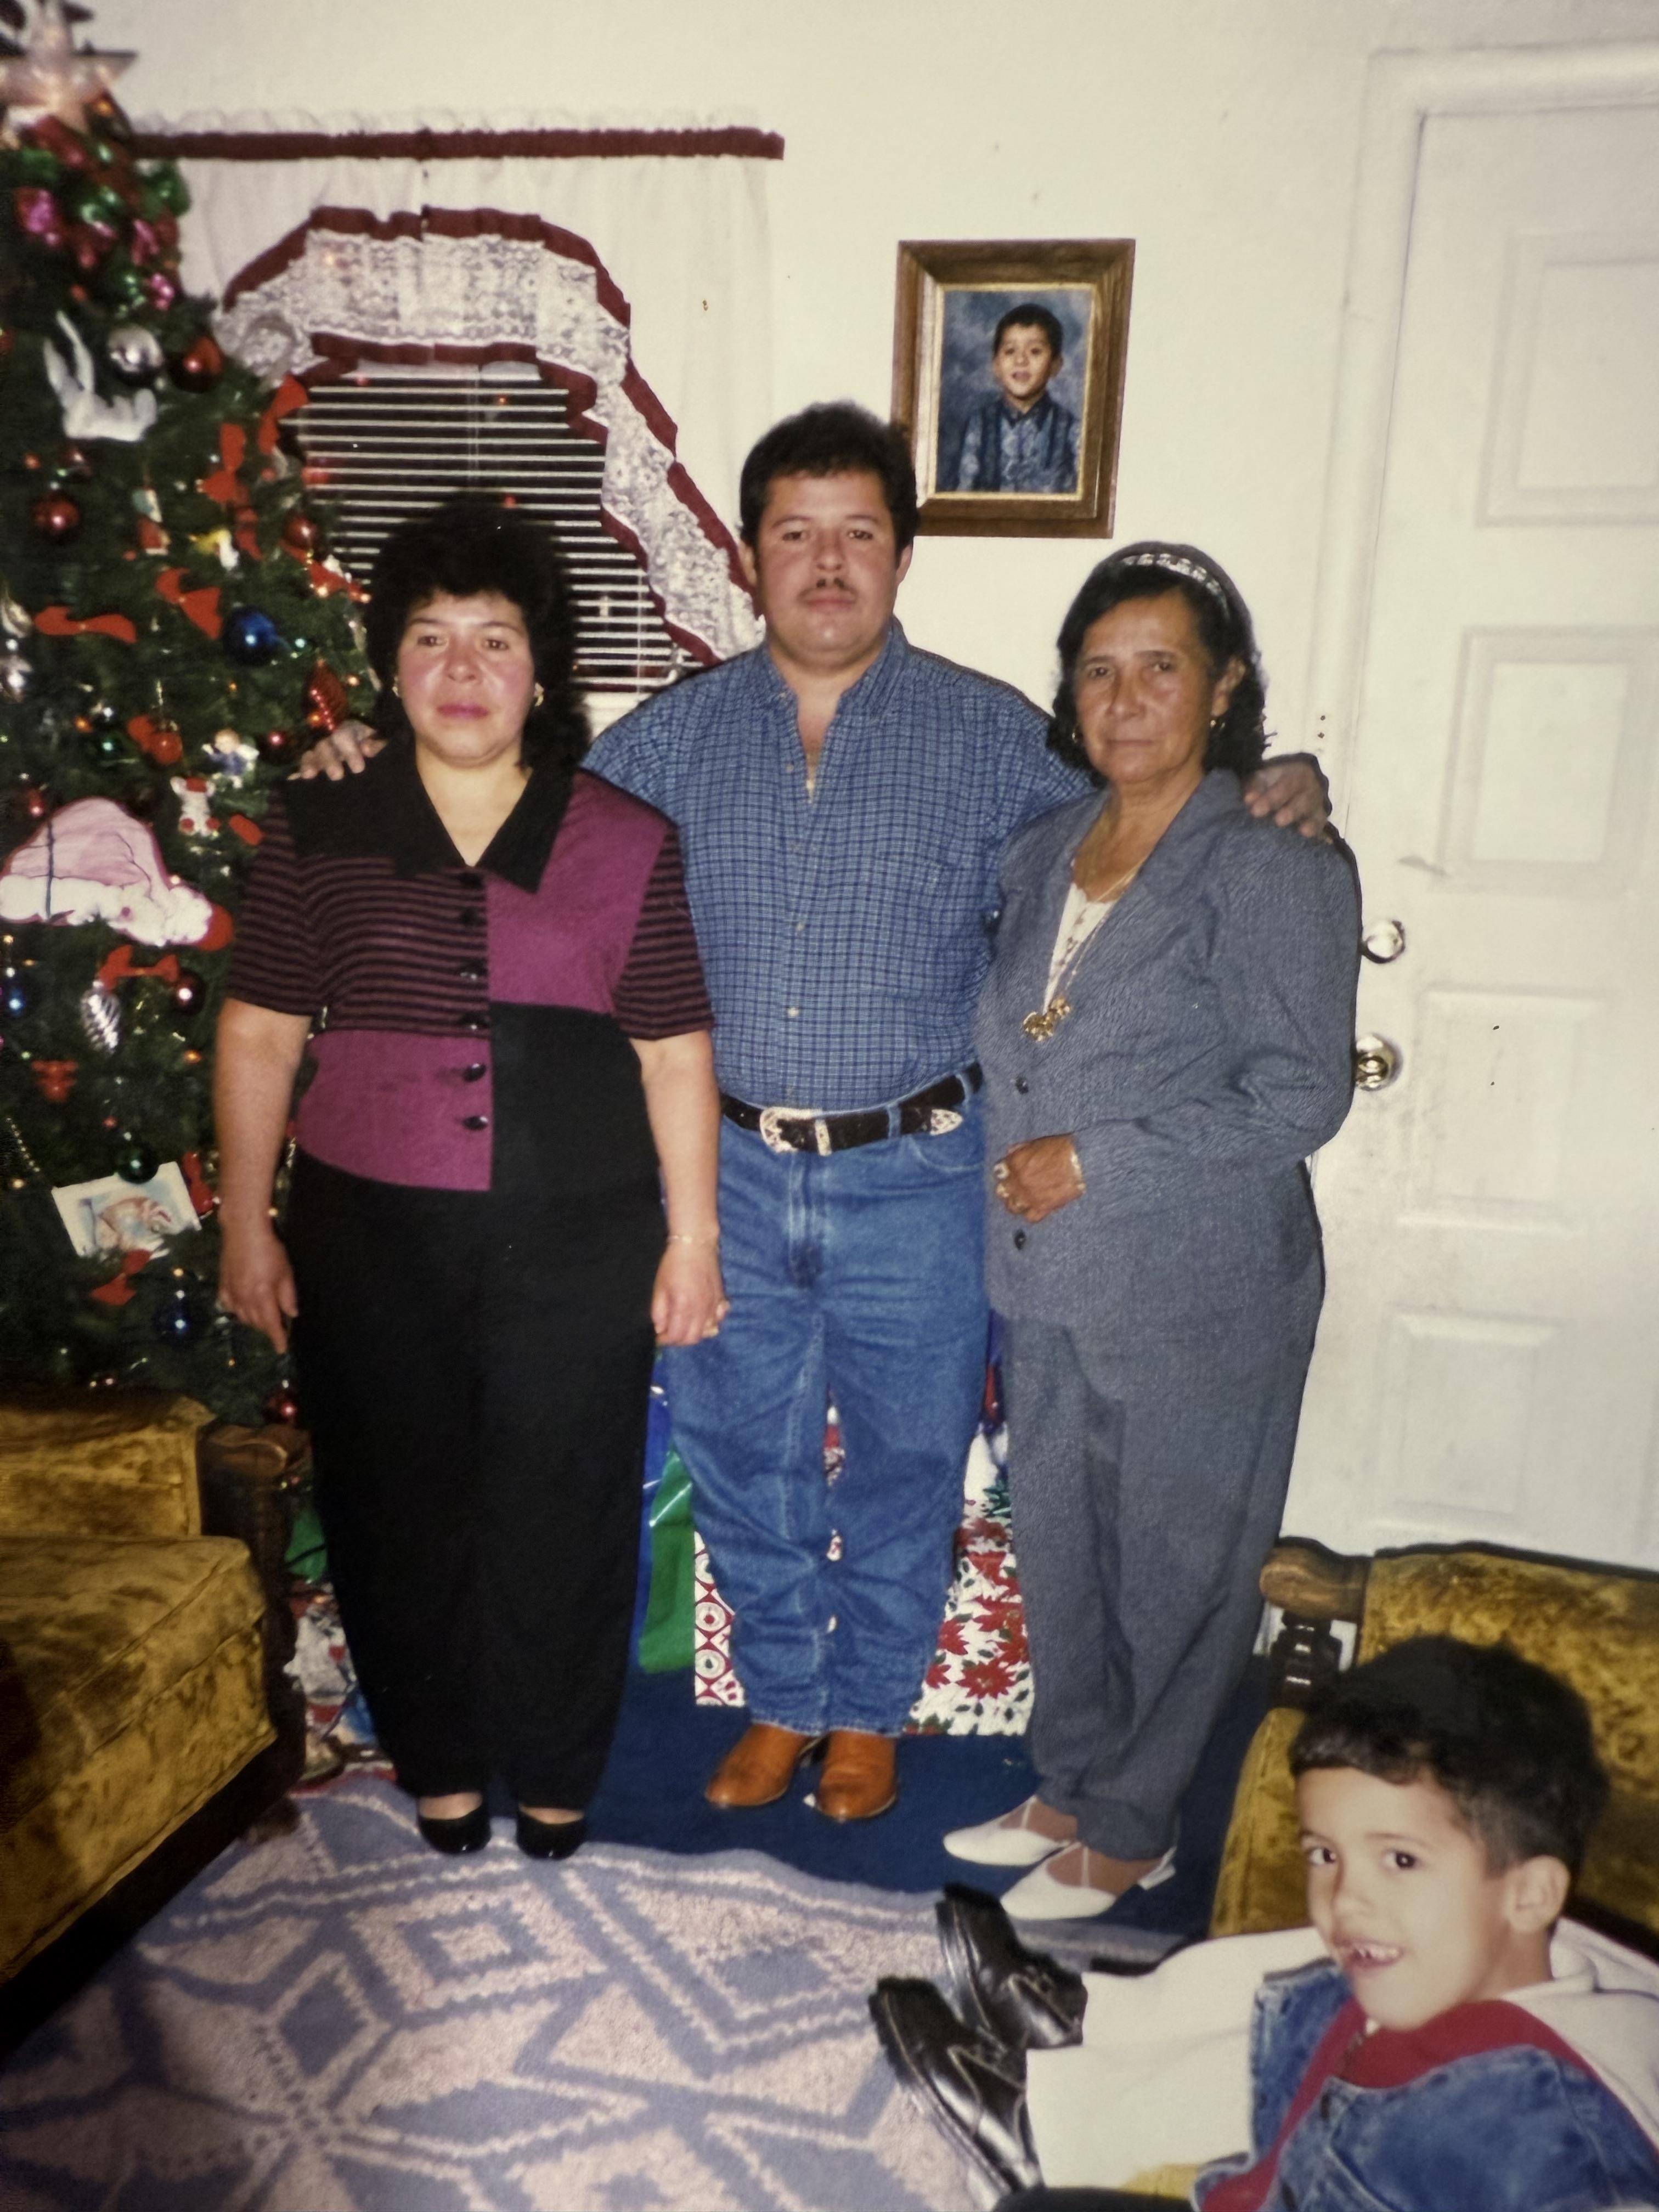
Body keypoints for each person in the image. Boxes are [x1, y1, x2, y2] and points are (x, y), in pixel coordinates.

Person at [298, 409, 1331, 1827]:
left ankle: (869, 1713)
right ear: (749, 554)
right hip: (722, 1160)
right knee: (740, 1445)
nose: (826, 563)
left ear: (901, 553)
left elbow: (1150, 820)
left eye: (857, 533)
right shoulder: (668, 739)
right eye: (795, 533)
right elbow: (508, 821)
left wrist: (1280, 781)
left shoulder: (993, 738)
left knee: (910, 1454)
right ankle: (784, 1694)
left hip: (919, 1167)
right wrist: (374, 757)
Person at [216, 498, 724, 1859]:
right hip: (367, 1238)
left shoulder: (624, 836)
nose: (460, 671)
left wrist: (694, 1241)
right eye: (430, 639)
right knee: (394, 1506)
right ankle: (438, 1759)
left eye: (493, 640)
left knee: (564, 1505)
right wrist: (246, 1226)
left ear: (541, 672)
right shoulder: (322, 818)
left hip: (581, 1239)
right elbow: (261, 1030)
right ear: (389, 666)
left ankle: (557, 1767)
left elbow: (676, 1051)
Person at [944, 543, 1359, 1917]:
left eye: (1161, 667)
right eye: (1100, 670)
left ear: (1224, 686)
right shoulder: (1046, 844)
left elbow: (1298, 1096)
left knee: (1180, 1570)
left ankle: (1136, 1828)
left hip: (1201, 1283)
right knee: (1062, 1554)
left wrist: (1098, 1160)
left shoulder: (1273, 863)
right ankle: (1070, 1781)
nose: (1125, 699)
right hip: (1047, 1277)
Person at [871, 1636, 1659, 2211]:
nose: (1343, 1895)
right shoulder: (1472, 1963)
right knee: (1403, 1960)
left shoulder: (1539, 2145)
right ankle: (1093, 2028)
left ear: (1534, 1891)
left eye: (1400, 1859)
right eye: (1324, 1854)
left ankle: (1046, 2130)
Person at [947, 304, 1079, 495]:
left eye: (1035, 351)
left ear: (1055, 365)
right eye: (1010, 351)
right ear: (996, 366)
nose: (1021, 360)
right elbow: (963, 495)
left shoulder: (1070, 429)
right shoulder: (980, 424)